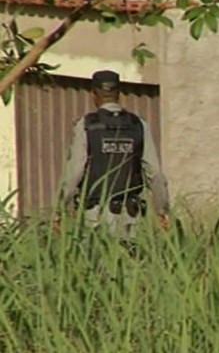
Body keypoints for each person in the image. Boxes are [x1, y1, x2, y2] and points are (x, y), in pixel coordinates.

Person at [59, 70, 170, 239]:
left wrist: (62, 208)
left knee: (96, 261)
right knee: (130, 260)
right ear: (118, 93)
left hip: (94, 215)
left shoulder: (86, 125)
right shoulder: (138, 124)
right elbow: (154, 173)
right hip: (130, 215)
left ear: (94, 94)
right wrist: (162, 210)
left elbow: (75, 172)